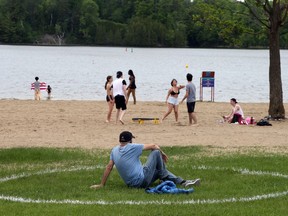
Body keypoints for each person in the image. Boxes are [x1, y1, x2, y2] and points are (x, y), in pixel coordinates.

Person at [90, 131, 200, 189]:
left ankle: (183, 182)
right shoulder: (132, 147)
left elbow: (109, 167)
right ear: (130, 141)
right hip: (141, 181)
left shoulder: (114, 150)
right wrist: (162, 153)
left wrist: (101, 184)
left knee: (158, 171)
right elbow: (153, 146)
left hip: (131, 184)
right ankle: (170, 178)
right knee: (156, 153)